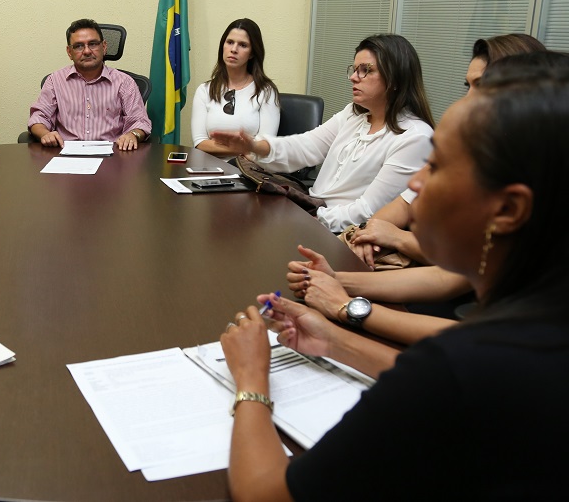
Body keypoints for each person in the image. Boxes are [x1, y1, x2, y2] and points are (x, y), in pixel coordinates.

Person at [220, 52, 569, 500]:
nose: (416, 183)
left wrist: (251, 381)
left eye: (437, 165)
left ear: (507, 209)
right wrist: (334, 339)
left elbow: (265, 494)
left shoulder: (459, 368)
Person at [346, 32, 546, 268]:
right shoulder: (473, 146)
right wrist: (366, 233)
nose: (467, 99)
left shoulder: (531, 169)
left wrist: (398, 237)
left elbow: (467, 262)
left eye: (482, 86)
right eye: (468, 86)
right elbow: (404, 203)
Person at [211, 34, 434, 232]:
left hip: (338, 231)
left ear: (395, 79)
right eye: (354, 69)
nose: (354, 77)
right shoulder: (353, 114)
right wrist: (254, 146)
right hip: (312, 212)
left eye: (366, 70)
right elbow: (305, 147)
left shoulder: (415, 137)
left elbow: (368, 211)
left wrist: (308, 219)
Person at [28, 18, 152, 150]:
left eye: (93, 44)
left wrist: (133, 135)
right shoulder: (55, 81)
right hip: (66, 154)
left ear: (104, 47)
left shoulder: (124, 82)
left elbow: (140, 121)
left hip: (113, 155)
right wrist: (45, 134)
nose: (87, 51)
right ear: (69, 52)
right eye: (79, 46)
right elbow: (39, 117)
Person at [190, 18, 280, 158]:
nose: (233, 49)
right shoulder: (205, 90)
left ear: (252, 53)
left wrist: (220, 147)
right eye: (230, 42)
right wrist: (245, 148)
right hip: (209, 168)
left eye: (243, 45)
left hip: (248, 168)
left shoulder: (266, 92)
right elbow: (200, 143)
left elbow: (265, 146)